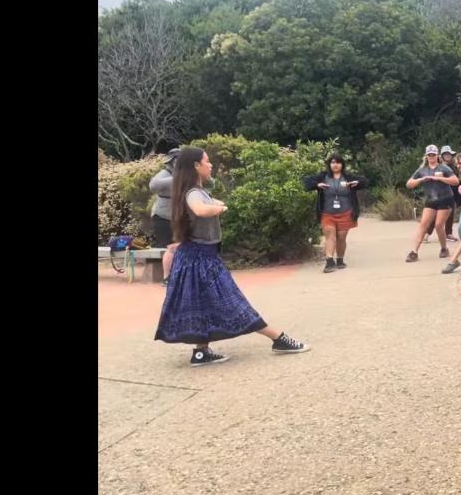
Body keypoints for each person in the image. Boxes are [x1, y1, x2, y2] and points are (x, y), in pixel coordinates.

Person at [154, 147, 310, 366]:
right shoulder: (194, 193)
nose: (211, 165)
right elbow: (199, 209)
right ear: (196, 166)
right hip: (201, 259)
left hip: (196, 257)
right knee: (234, 303)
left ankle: (201, 352)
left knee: (203, 305)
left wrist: (216, 203)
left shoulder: (191, 190)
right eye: (207, 161)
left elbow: (202, 205)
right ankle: (278, 338)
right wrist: (220, 208)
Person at [302, 154, 367, 273]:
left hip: (346, 212)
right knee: (330, 236)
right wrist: (317, 185)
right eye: (333, 162)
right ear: (329, 164)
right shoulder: (323, 176)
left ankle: (340, 259)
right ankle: (329, 262)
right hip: (327, 213)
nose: (335, 165)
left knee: (341, 238)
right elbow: (306, 182)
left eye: (338, 162)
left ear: (342, 165)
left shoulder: (347, 177)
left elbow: (364, 181)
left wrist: (356, 183)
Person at [405, 145, 458, 262]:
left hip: (445, 198)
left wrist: (440, 179)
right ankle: (414, 251)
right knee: (423, 224)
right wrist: (420, 180)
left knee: (439, 225)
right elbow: (409, 184)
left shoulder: (444, 168)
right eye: (429, 155)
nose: (431, 157)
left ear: (437, 156)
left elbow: (455, 181)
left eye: (433, 155)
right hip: (431, 199)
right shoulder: (422, 170)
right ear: (426, 156)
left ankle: (444, 248)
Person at [149, 148, 180, 285]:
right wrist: (176, 178)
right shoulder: (165, 173)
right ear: (173, 161)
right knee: (171, 247)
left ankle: (179, 275)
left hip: (178, 216)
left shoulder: (187, 174)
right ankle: (167, 277)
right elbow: (153, 185)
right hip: (162, 216)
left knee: (182, 246)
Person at [440, 145, 459, 241]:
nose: (448, 156)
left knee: (450, 213)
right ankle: (427, 233)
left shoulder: (455, 166)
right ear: (442, 155)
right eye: (445, 154)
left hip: (451, 192)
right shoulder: (438, 166)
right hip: (439, 193)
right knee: (434, 213)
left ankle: (449, 233)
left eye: (449, 154)